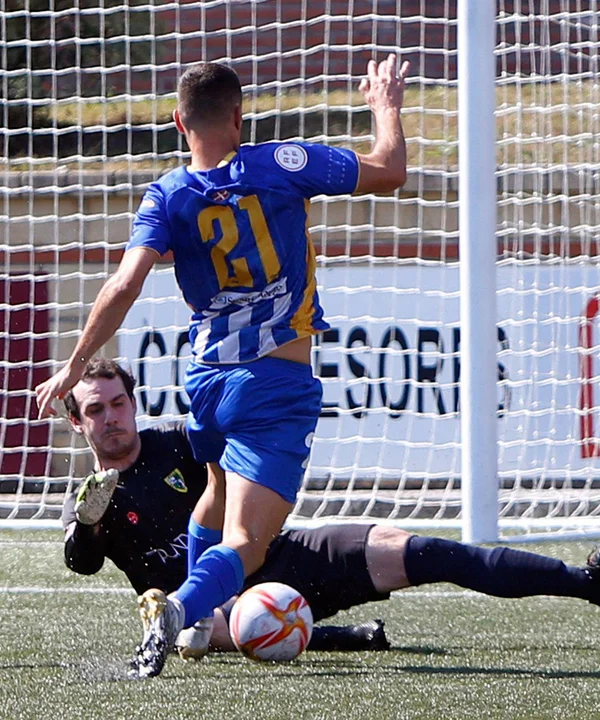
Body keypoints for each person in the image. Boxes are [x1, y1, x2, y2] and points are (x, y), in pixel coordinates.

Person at [35, 55, 411, 678]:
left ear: (178, 122)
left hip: (207, 380)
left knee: (213, 488)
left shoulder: (167, 194)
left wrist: (74, 368)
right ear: (239, 117)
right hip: (274, 381)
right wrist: (385, 107)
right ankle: (180, 608)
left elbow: (124, 285)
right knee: (248, 542)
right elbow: (390, 170)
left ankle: (200, 626)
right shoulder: (283, 163)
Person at [60, 360, 600, 661]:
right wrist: (87, 525)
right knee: (236, 625)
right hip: (206, 609)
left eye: (118, 403)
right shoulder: (88, 498)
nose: (112, 418)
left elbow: (244, 472)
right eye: (96, 411)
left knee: (420, 551)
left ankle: (590, 581)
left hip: (278, 555)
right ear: (77, 422)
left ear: (133, 403)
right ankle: (340, 636)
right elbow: (81, 562)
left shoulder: (183, 443)